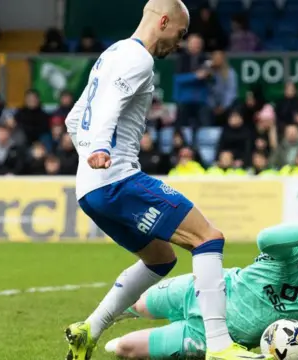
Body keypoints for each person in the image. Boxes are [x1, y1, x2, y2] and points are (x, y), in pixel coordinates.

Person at [63, 1, 272, 359]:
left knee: (160, 259)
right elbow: (111, 102)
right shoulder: (139, 58)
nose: (180, 43)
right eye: (181, 33)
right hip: (117, 181)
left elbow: (72, 118)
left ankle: (89, 329)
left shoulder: (110, 54)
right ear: (163, 21)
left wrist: (90, 154)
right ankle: (221, 347)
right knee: (208, 238)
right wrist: (100, 146)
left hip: (90, 190)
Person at [99, 221, 298, 359]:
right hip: (206, 288)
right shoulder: (294, 249)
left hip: (210, 337)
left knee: (123, 349)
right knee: (136, 304)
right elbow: (265, 238)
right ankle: (93, 324)